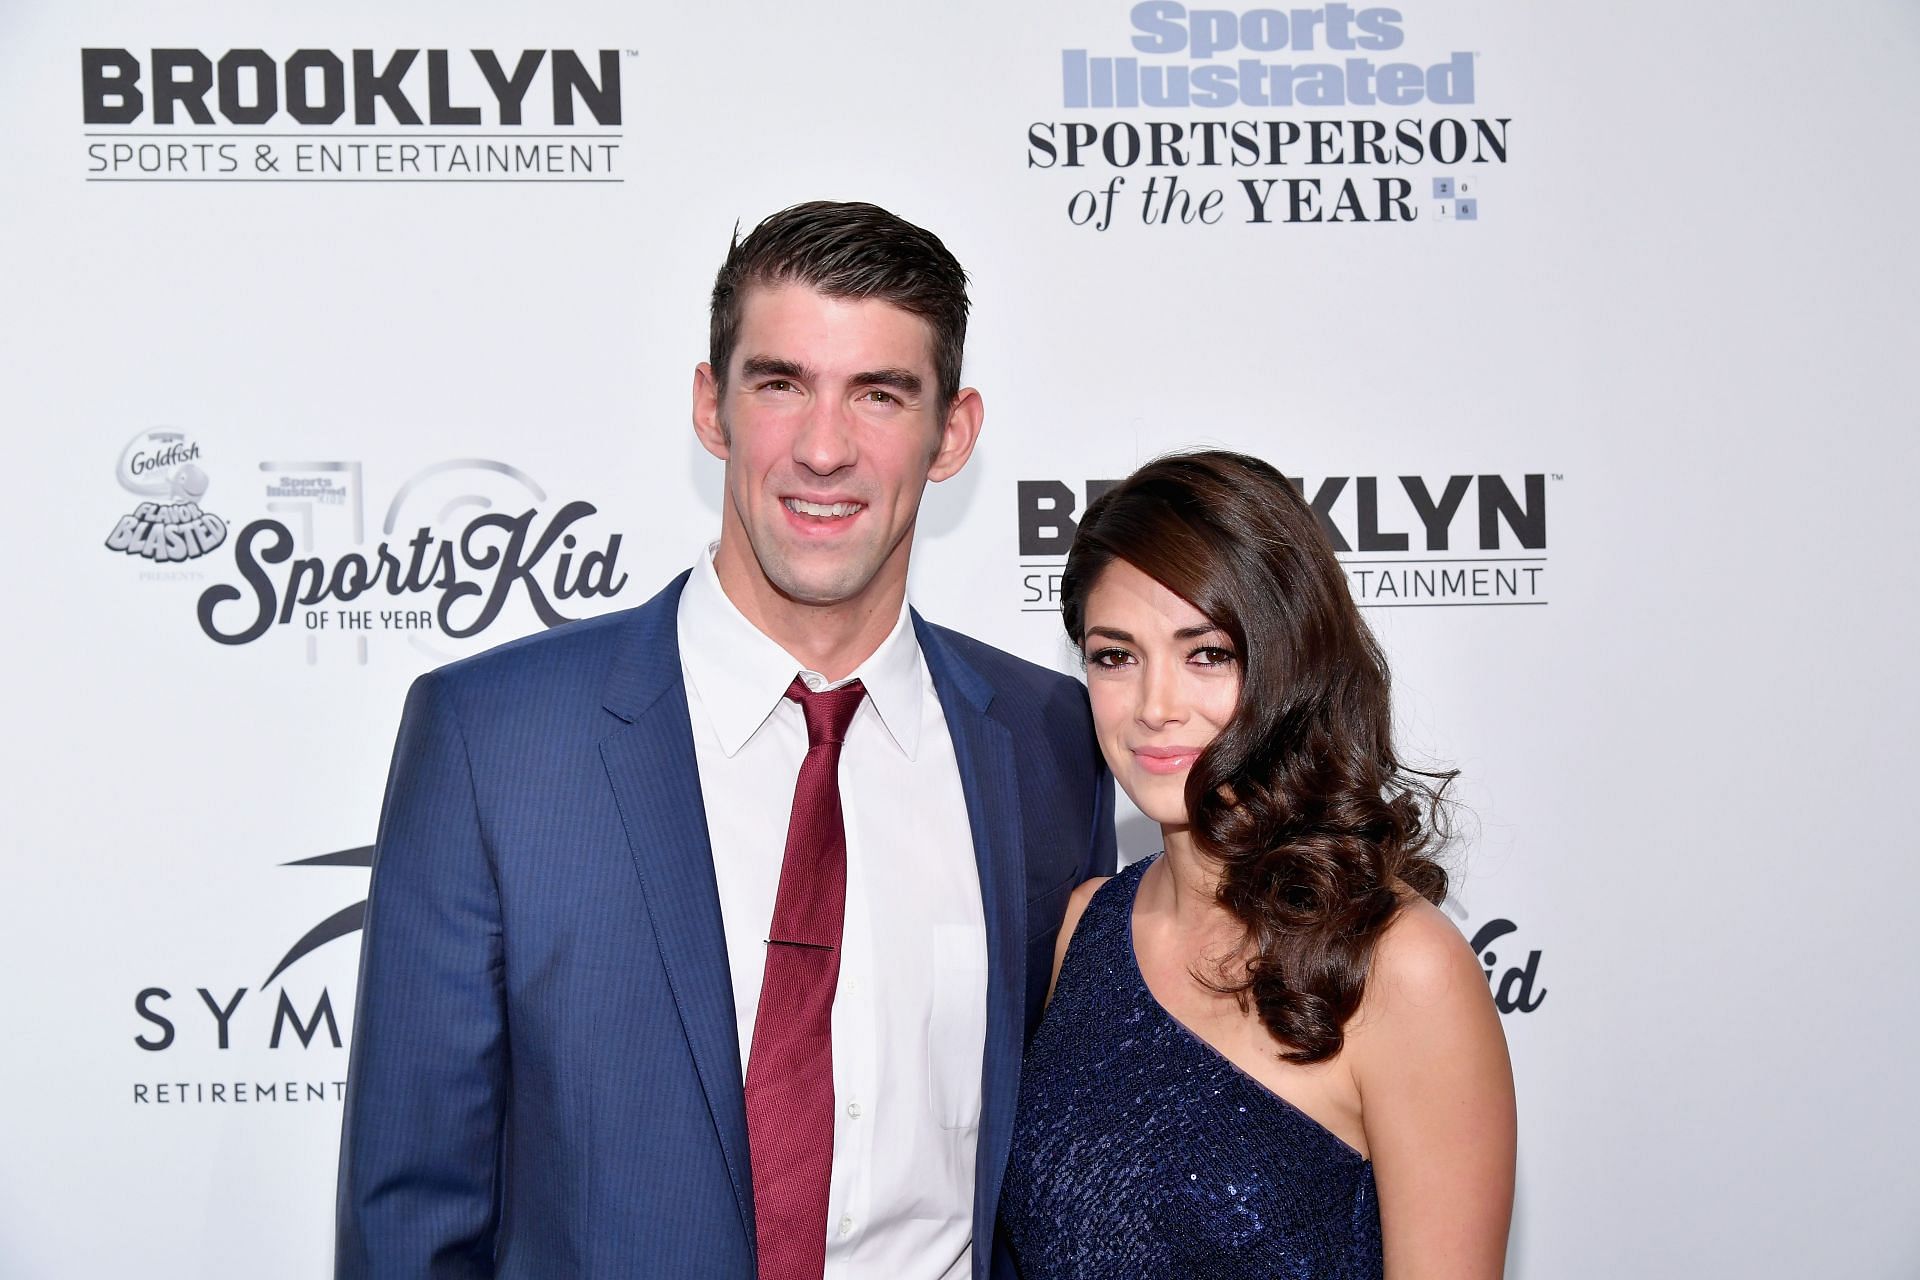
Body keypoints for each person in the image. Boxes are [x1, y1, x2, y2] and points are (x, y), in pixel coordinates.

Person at [335, 201, 1116, 1280]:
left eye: (880, 395)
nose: (825, 447)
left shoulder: (1051, 744)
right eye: (780, 383)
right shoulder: (495, 739)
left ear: (954, 433)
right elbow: (412, 1210)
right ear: (713, 407)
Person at [999, 451, 1515, 1279]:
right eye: (1114, 656)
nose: (1155, 706)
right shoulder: (1082, 930)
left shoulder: (1399, 967)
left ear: (1289, 661)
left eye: (1206, 653)